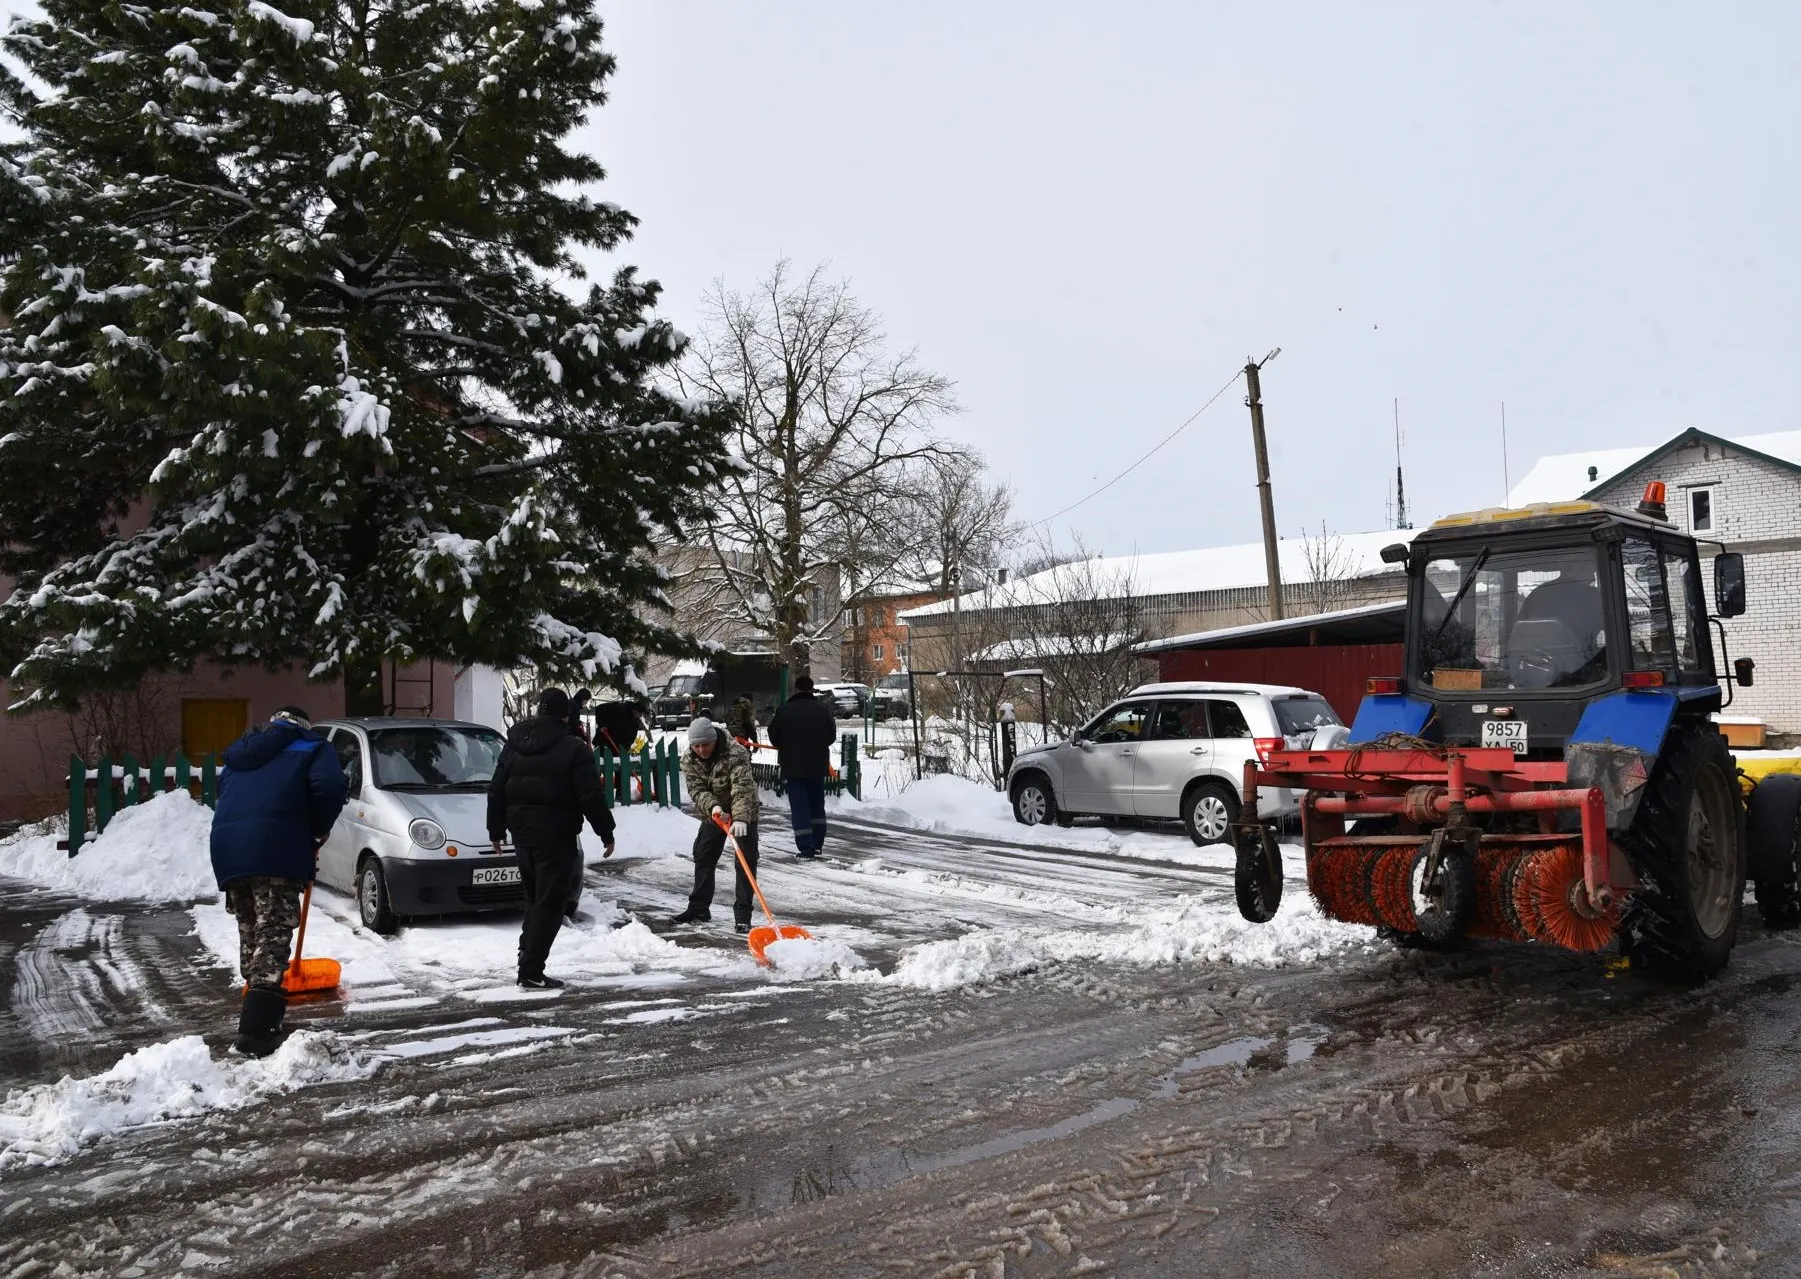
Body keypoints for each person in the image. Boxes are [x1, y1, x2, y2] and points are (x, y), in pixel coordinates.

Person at [209, 706, 348, 1057]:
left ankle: (255, 1003)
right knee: (273, 929)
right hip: (277, 847)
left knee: (251, 926)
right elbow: (331, 786)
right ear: (304, 726)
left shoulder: (240, 752)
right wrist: (316, 829)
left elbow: (220, 792)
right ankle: (257, 1033)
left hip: (228, 848)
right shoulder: (313, 746)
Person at [487, 687, 616, 988]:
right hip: (556, 835)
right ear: (565, 714)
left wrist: (495, 831)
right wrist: (606, 832)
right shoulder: (573, 747)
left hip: (521, 833)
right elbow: (589, 795)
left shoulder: (514, 743)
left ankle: (526, 955)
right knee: (550, 902)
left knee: (534, 897)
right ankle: (531, 970)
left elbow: (497, 789)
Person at [672, 716, 761, 932]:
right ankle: (699, 907)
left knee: (745, 860)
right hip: (715, 814)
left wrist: (740, 817)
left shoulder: (735, 752)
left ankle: (743, 915)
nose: (702, 750)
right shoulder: (689, 760)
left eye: (706, 744)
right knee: (703, 855)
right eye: (697, 745)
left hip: (743, 810)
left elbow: (742, 787)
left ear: (714, 740)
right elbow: (696, 790)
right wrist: (713, 807)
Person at [767, 674, 837, 861]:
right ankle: (818, 843)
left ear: (796, 689)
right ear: (812, 688)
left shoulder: (784, 710)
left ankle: (806, 847)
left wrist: (788, 745)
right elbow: (831, 736)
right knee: (817, 805)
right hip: (817, 765)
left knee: (800, 807)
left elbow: (773, 736)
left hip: (793, 766)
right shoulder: (823, 710)